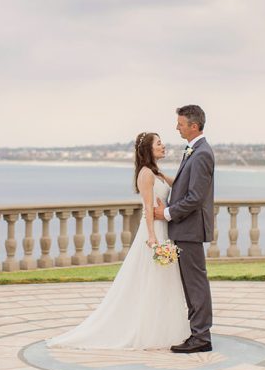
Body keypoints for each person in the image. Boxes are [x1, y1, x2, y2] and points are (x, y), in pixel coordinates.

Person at [46, 132, 189, 350]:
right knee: (150, 279)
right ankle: (146, 328)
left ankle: (164, 326)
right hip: (155, 230)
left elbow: (179, 184)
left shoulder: (156, 172)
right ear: (148, 149)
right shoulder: (145, 174)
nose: (164, 146)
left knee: (164, 280)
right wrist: (152, 237)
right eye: (159, 143)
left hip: (165, 227)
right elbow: (148, 208)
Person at [153, 104, 215, 353]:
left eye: (180, 124)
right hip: (185, 229)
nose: (176, 128)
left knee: (196, 283)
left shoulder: (201, 154)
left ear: (193, 125)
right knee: (191, 283)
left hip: (190, 230)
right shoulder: (194, 151)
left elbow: (195, 198)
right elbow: (187, 189)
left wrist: (166, 213)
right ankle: (197, 333)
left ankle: (201, 337)